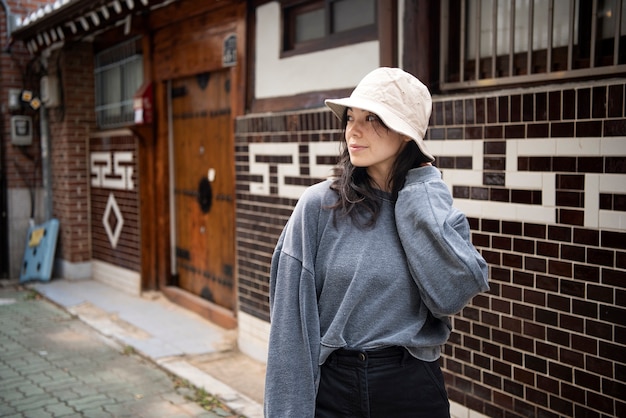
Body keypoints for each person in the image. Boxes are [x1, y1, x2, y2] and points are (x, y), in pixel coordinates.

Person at [264, 67, 490, 417]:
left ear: (405, 134)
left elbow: (452, 294)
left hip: (411, 387)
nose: (353, 130)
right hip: (333, 390)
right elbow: (289, 330)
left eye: (372, 118)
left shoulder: (428, 205)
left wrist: (418, 188)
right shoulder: (319, 207)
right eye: (351, 117)